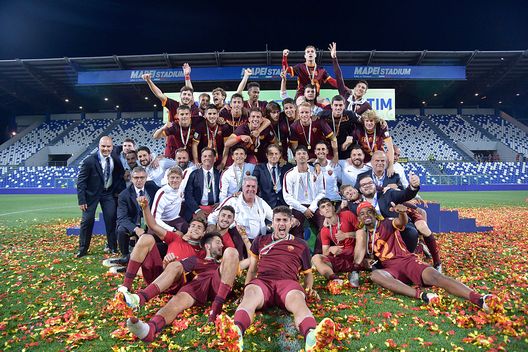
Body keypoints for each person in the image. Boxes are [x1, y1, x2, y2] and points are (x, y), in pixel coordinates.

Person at [217, 206, 336, 352]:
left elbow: (308, 274)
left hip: (288, 282)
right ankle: (236, 334)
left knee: (298, 301)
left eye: (285, 220)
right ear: (272, 223)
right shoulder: (260, 240)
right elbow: (253, 269)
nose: (281, 223)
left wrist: (308, 289)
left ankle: (311, 337)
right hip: (263, 281)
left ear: (291, 222)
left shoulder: (301, 244)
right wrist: (246, 290)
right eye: (278, 220)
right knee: (250, 296)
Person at [355, 201, 498, 312]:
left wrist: (402, 213)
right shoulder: (363, 235)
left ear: (374, 213)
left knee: (438, 277)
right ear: (359, 219)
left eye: (369, 212)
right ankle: (422, 295)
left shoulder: (386, 222)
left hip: (407, 261)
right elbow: (361, 257)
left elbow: (401, 222)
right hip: (391, 269)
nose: (366, 215)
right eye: (362, 214)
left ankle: (478, 299)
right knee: (375, 276)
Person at [125, 232, 240, 341]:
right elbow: (176, 269)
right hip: (197, 285)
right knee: (176, 300)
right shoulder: (195, 259)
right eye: (218, 242)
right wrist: (167, 265)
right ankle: (150, 329)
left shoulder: (225, 264)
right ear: (208, 246)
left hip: (218, 283)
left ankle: (216, 309)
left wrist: (245, 240)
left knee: (231, 251)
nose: (222, 245)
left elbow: (247, 262)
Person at [118, 197, 207, 304]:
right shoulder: (176, 238)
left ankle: (140, 299)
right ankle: (125, 287)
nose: (195, 228)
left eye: (199, 227)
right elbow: (153, 225)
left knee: (176, 265)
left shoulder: (203, 252)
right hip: (158, 275)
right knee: (146, 238)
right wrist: (145, 208)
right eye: (193, 226)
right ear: (188, 229)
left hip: (175, 284)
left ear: (203, 233)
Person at [76, 136, 125, 258]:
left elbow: (119, 175)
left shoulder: (115, 158)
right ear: (99, 146)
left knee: (111, 219)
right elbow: (81, 182)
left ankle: (112, 247)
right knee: (87, 220)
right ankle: (83, 249)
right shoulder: (89, 161)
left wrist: (118, 191)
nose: (106, 149)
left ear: (112, 147)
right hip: (91, 195)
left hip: (108, 194)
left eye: (108, 146)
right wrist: (81, 200)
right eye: (103, 146)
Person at [105, 166, 159, 270]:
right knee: (121, 229)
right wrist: (136, 229)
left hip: (150, 222)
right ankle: (125, 255)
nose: (139, 180)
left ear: (146, 177)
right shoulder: (124, 195)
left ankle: (145, 256)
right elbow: (122, 218)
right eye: (136, 177)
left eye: (142, 177)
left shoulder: (152, 188)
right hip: (134, 224)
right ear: (131, 178)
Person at [354, 174, 420, 253]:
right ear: (360, 189)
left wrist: (413, 187)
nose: (367, 185)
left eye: (370, 183)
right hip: (374, 232)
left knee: (411, 232)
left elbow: (405, 194)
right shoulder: (356, 204)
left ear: (375, 185)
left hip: (395, 227)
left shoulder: (388, 194)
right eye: (364, 184)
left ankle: (408, 256)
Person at [142, 68, 199, 157]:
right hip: (172, 143)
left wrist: (187, 76)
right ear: (180, 95)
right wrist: (149, 81)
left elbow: (189, 90)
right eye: (184, 94)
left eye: (188, 95)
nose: (186, 97)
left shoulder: (194, 109)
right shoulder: (173, 104)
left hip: (189, 144)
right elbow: (159, 94)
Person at [311, 198, 364, 288]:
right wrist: (331, 249)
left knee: (360, 232)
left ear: (334, 208)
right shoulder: (324, 230)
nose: (326, 208)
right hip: (341, 257)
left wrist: (346, 235)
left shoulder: (347, 215)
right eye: (323, 207)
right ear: (321, 213)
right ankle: (335, 279)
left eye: (328, 205)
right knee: (315, 258)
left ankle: (355, 271)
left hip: (357, 255)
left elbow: (364, 232)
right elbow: (325, 253)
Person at [283, 145, 325, 246]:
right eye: (299, 154)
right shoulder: (289, 174)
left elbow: (322, 192)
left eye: (304, 153)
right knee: (296, 227)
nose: (301, 156)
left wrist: (312, 207)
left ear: (307, 156)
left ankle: (318, 252)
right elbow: (287, 197)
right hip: (297, 206)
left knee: (324, 225)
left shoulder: (316, 171)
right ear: (295, 157)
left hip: (314, 205)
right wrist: (303, 209)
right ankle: (299, 254)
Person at [209, 176, 273, 241]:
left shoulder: (261, 202)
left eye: (253, 187)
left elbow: (273, 216)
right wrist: (211, 225)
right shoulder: (232, 201)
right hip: (237, 240)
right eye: (248, 186)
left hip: (257, 241)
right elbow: (212, 216)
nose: (250, 189)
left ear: (256, 189)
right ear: (242, 188)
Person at [328, 42, 372, 114]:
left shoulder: (366, 105)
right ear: (354, 88)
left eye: (363, 88)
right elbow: (339, 77)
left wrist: (383, 122)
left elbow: (373, 117)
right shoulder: (345, 94)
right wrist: (334, 58)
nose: (360, 88)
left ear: (365, 92)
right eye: (359, 86)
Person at [183, 148, 221, 222]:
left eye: (210, 156)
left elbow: (224, 191)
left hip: (215, 208)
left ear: (214, 159)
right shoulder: (194, 174)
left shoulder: (220, 174)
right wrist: (197, 210)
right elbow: (188, 194)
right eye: (205, 156)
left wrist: (220, 203)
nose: (207, 158)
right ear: (201, 158)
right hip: (197, 207)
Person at [317, 95, 357, 161]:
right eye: (336, 105)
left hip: (345, 148)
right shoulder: (322, 115)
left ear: (344, 106)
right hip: (329, 148)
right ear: (331, 106)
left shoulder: (350, 115)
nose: (338, 108)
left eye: (340, 105)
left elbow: (361, 121)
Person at [151, 166, 189, 235]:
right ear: (167, 179)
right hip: (162, 221)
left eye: (177, 178)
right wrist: (172, 230)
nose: (175, 180)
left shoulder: (181, 188)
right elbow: (155, 218)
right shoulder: (162, 193)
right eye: (172, 177)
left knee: (188, 232)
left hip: (176, 219)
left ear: (181, 179)